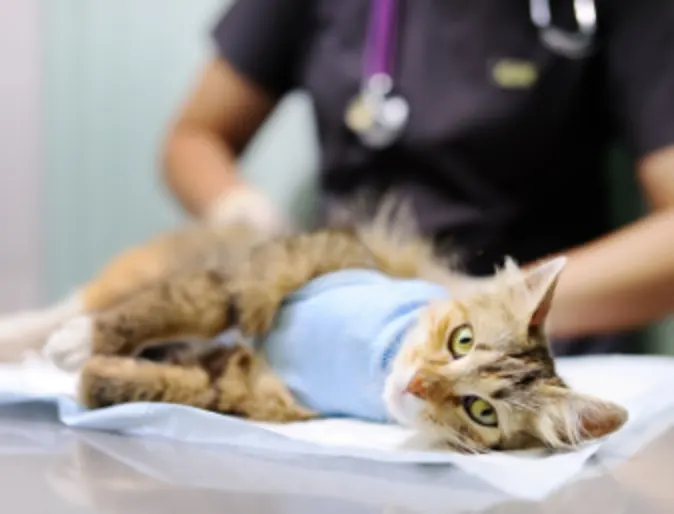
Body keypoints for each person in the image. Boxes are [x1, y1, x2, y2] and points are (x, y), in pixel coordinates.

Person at [160, 0, 674, 356]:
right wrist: (245, 214)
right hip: (343, 320)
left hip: (537, 343)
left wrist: (489, 303)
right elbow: (195, 137)